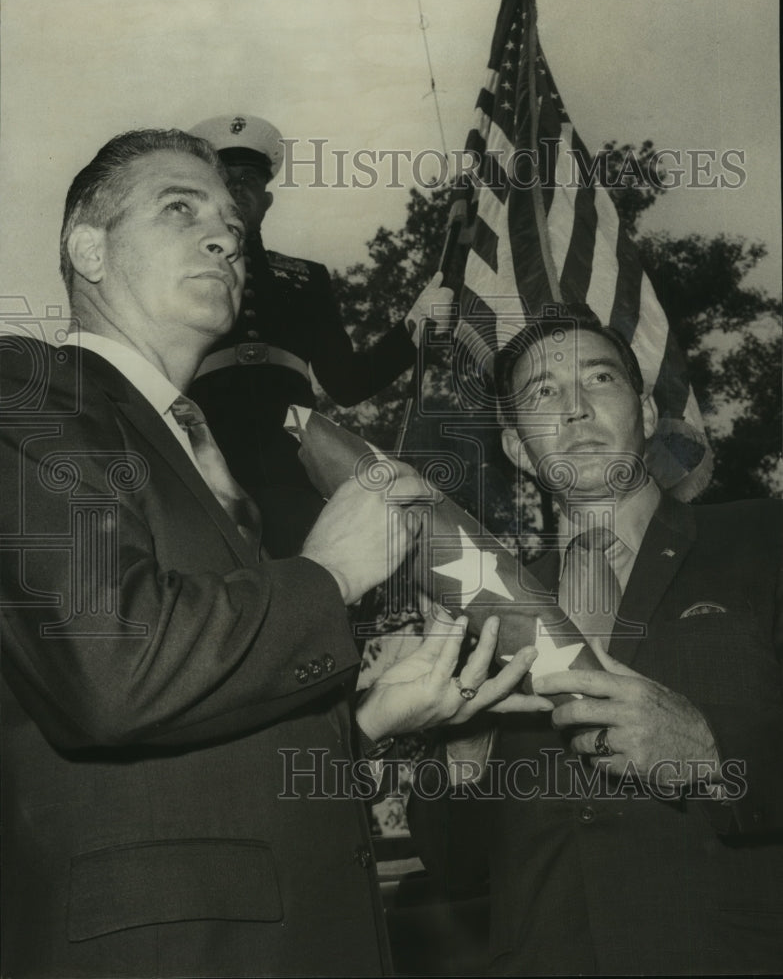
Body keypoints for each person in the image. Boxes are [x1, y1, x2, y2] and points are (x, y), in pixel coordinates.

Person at [0, 128, 544, 979]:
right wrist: (326, 576)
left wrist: (369, 721)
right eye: (179, 209)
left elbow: (206, 738)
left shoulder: (200, 457)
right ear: (87, 250)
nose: (227, 236)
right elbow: (109, 675)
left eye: (229, 219)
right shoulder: (27, 391)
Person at [409, 304, 783, 975]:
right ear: (518, 446)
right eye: (543, 393)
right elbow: (454, 866)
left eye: (600, 379)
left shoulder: (764, 539)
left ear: (643, 411)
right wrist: (460, 749)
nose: (574, 409)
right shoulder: (482, 610)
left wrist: (711, 757)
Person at [187, 113, 452, 555]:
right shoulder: (185, 274)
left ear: (266, 200)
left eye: (248, 179)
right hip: (208, 447)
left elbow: (347, 384)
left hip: (292, 453)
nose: (237, 189)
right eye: (225, 180)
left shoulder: (306, 278)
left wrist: (413, 329)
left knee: (308, 568)